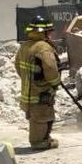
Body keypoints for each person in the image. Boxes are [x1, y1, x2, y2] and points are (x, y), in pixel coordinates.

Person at [15, 15, 61, 150]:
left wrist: (27, 79)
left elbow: (18, 66)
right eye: (49, 32)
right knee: (42, 116)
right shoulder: (43, 47)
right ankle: (39, 142)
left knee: (35, 115)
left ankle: (44, 138)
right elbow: (50, 68)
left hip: (28, 90)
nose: (51, 35)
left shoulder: (24, 46)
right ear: (43, 32)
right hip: (41, 90)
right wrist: (54, 83)